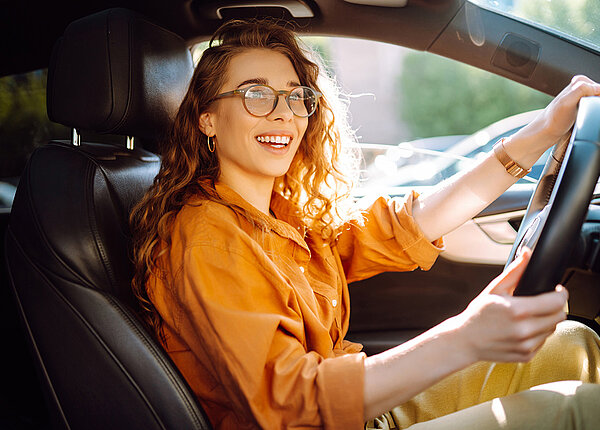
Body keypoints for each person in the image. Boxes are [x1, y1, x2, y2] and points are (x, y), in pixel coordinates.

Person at [130, 19, 600, 430]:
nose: (283, 113)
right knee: (576, 412)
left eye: (297, 97)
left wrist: (542, 129)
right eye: (256, 94)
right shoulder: (208, 236)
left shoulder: (286, 216)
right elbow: (291, 408)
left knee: (573, 345)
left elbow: (409, 224)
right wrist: (466, 336)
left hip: (362, 414)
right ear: (207, 119)